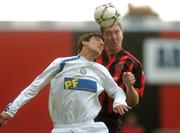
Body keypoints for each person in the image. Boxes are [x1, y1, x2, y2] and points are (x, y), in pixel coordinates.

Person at [0, 32, 133, 133]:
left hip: (91, 127)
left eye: (102, 44)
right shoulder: (62, 63)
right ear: (85, 42)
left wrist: (119, 101)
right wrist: (11, 110)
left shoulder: (100, 70)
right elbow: (34, 87)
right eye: (97, 40)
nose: (101, 44)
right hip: (63, 128)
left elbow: (116, 91)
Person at [94, 22, 145, 133]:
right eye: (108, 33)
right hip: (85, 119)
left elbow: (133, 102)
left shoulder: (133, 63)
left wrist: (129, 86)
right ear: (102, 36)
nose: (114, 37)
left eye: (117, 32)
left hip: (111, 122)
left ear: (122, 34)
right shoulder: (92, 59)